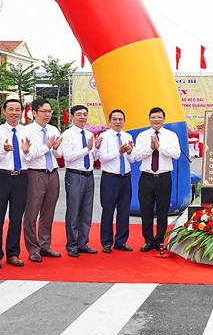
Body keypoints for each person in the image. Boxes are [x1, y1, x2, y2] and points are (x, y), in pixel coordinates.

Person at [0, 99, 32, 268]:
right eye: (11, 109)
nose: (14, 112)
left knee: (16, 217)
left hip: (21, 177)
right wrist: (3, 151)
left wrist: (27, 151)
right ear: (4, 111)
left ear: (22, 112)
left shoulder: (25, 131)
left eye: (17, 109)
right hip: (2, 177)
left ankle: (13, 253)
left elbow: (30, 157)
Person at [133, 106, 181, 251]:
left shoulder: (171, 135)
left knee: (162, 209)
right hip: (146, 177)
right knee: (146, 210)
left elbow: (176, 154)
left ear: (164, 119)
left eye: (159, 117)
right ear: (149, 119)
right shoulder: (142, 136)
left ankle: (160, 240)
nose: (156, 120)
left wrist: (159, 147)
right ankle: (148, 240)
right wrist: (150, 148)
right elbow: (136, 156)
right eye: (153, 117)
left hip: (164, 177)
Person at [22, 98, 63, 263]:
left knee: (48, 212)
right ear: (34, 113)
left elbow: (59, 156)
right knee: (31, 213)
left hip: (53, 172)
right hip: (35, 173)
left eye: (49, 111)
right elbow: (29, 155)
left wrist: (55, 148)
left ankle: (45, 245)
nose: (47, 114)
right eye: (44, 111)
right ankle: (33, 249)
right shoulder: (27, 131)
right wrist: (46, 146)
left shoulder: (53, 129)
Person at [60, 104, 99, 257]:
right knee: (74, 211)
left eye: (84, 114)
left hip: (89, 176)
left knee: (87, 212)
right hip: (75, 175)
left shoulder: (89, 134)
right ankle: (71, 244)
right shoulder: (67, 135)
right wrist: (87, 149)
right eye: (79, 114)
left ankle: (83, 242)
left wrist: (96, 148)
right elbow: (67, 157)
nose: (82, 117)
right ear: (72, 117)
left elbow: (93, 157)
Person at [98, 109, 135, 252]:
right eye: (115, 119)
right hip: (110, 178)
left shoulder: (127, 136)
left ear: (124, 121)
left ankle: (121, 241)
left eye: (120, 119)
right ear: (109, 121)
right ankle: (106, 242)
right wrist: (118, 152)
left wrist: (130, 152)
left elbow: (132, 159)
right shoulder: (104, 137)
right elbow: (102, 158)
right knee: (108, 210)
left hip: (125, 177)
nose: (118, 122)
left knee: (124, 211)